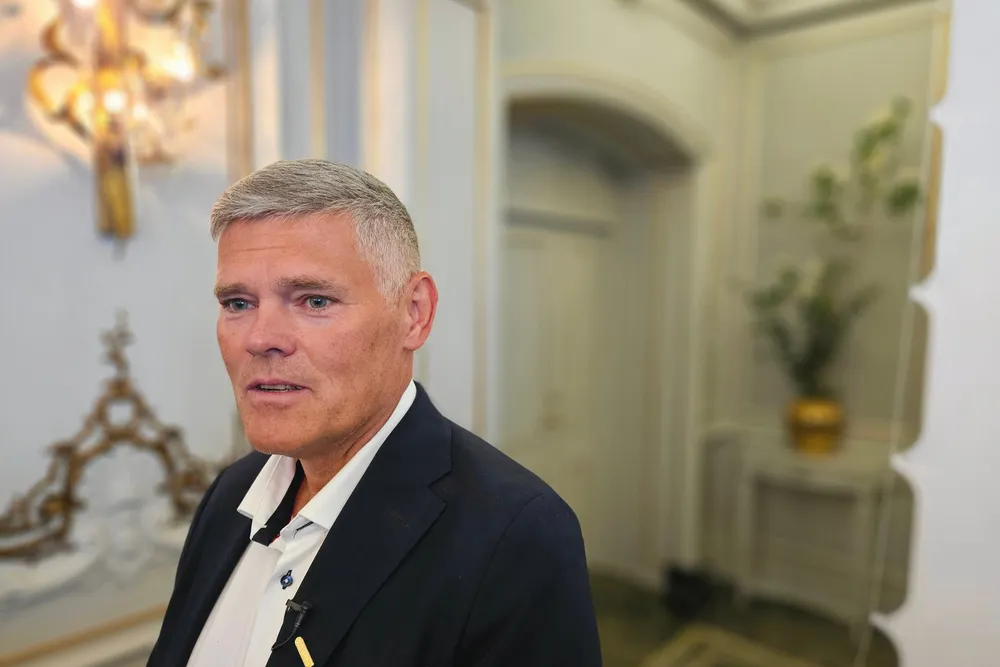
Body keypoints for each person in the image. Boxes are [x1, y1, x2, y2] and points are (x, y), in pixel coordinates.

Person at [147, 159, 602, 667]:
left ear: (414, 313)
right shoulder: (231, 493)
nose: (260, 338)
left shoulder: (516, 535)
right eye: (237, 303)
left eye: (314, 300)